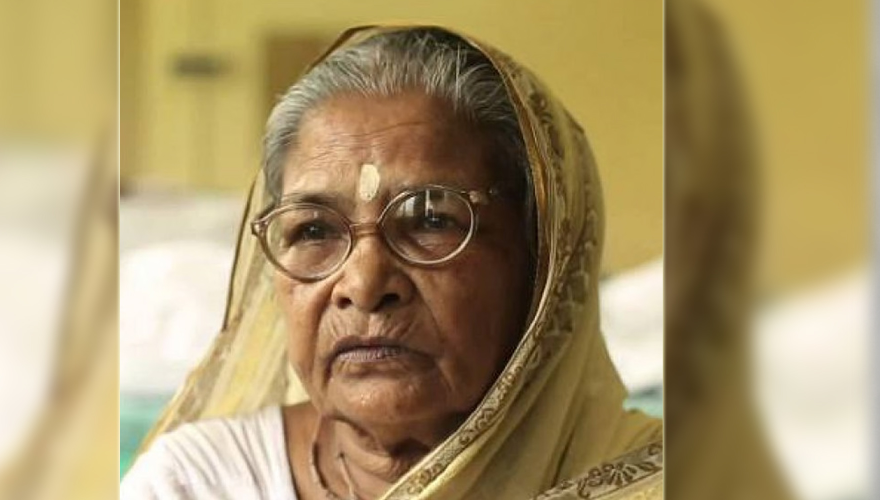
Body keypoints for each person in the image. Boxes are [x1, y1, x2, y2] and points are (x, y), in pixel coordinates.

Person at [121, 25, 662, 500]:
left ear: (545, 262)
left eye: (430, 219)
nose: (363, 284)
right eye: (314, 230)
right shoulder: (195, 484)